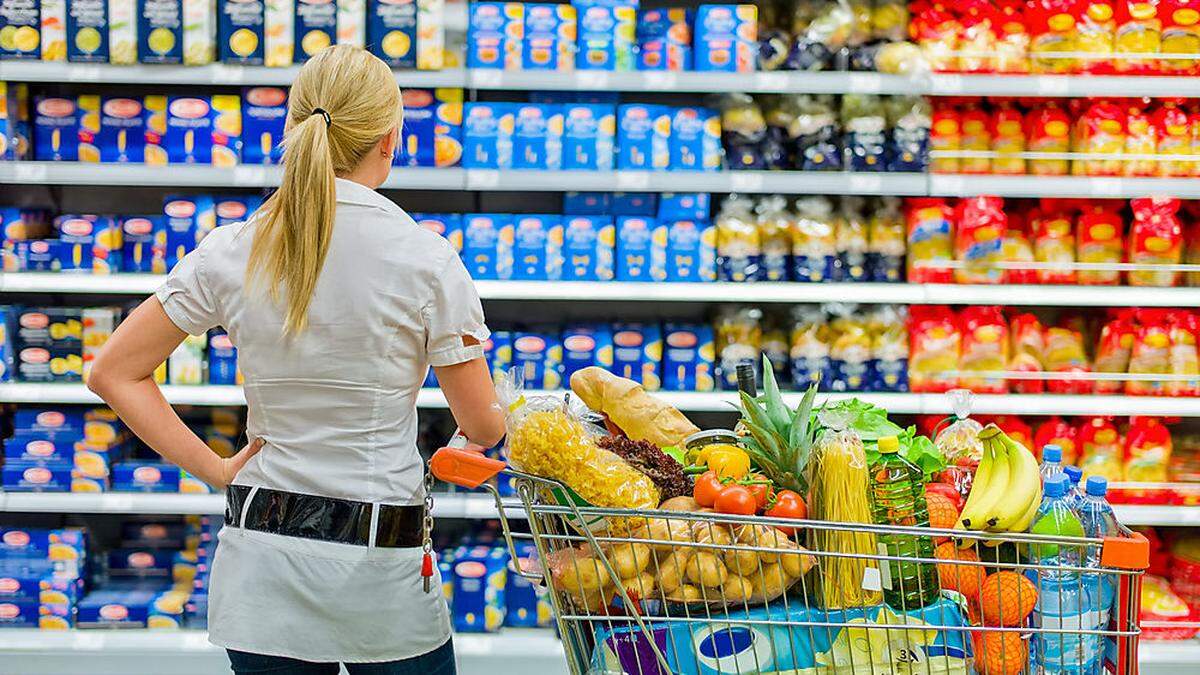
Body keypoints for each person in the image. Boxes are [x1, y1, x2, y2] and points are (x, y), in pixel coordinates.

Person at [88, 45, 505, 674]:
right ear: (391, 140)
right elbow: (484, 426)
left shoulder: (231, 249)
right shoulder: (427, 260)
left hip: (261, 569)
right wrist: (485, 429)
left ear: (293, 129)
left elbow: (112, 371)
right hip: (380, 573)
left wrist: (217, 469)